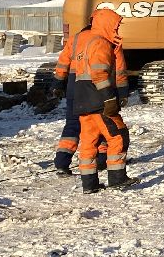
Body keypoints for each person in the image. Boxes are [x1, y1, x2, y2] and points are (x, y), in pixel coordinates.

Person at [69, 6, 133, 193]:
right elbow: (99, 73)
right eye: (115, 25)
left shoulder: (85, 40)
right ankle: (117, 178)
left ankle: (89, 184)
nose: (117, 29)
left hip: (82, 99)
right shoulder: (101, 42)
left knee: (89, 142)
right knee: (118, 136)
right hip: (97, 100)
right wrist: (109, 98)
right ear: (107, 24)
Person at [51, 19, 126, 176]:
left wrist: (57, 83)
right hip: (97, 85)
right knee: (102, 122)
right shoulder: (106, 40)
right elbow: (119, 68)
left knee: (73, 123)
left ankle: (62, 161)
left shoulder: (76, 37)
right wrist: (122, 92)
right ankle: (102, 158)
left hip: (74, 81)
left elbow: (63, 61)